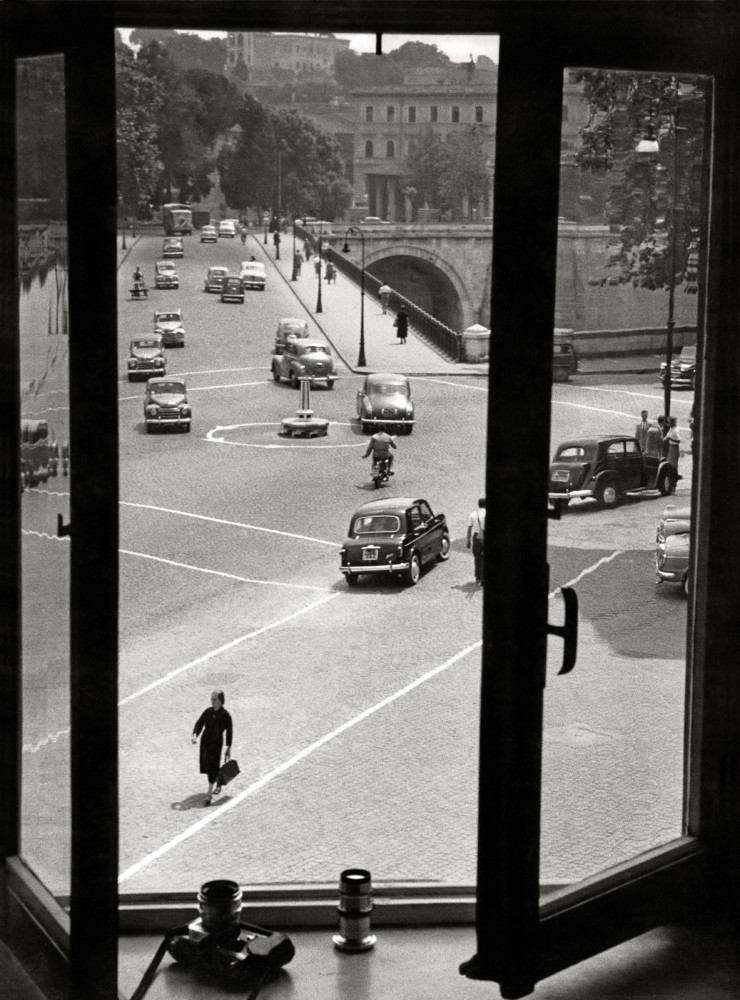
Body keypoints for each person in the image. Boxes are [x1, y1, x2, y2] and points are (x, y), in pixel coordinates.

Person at [191, 690, 233, 806]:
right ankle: (217, 778)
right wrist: (195, 735)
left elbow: (229, 731)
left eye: (214, 699)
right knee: (206, 765)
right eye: (211, 699)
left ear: (220, 701)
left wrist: (228, 747)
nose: (212, 701)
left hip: (216, 743)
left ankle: (209, 794)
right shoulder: (208, 712)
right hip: (205, 742)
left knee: (212, 766)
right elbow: (199, 723)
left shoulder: (225, 715)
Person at [467, 498, 486, 585]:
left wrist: (468, 540)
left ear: (478, 505)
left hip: (477, 537)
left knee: (477, 558)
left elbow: (469, 528)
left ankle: (478, 578)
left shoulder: (473, 514)